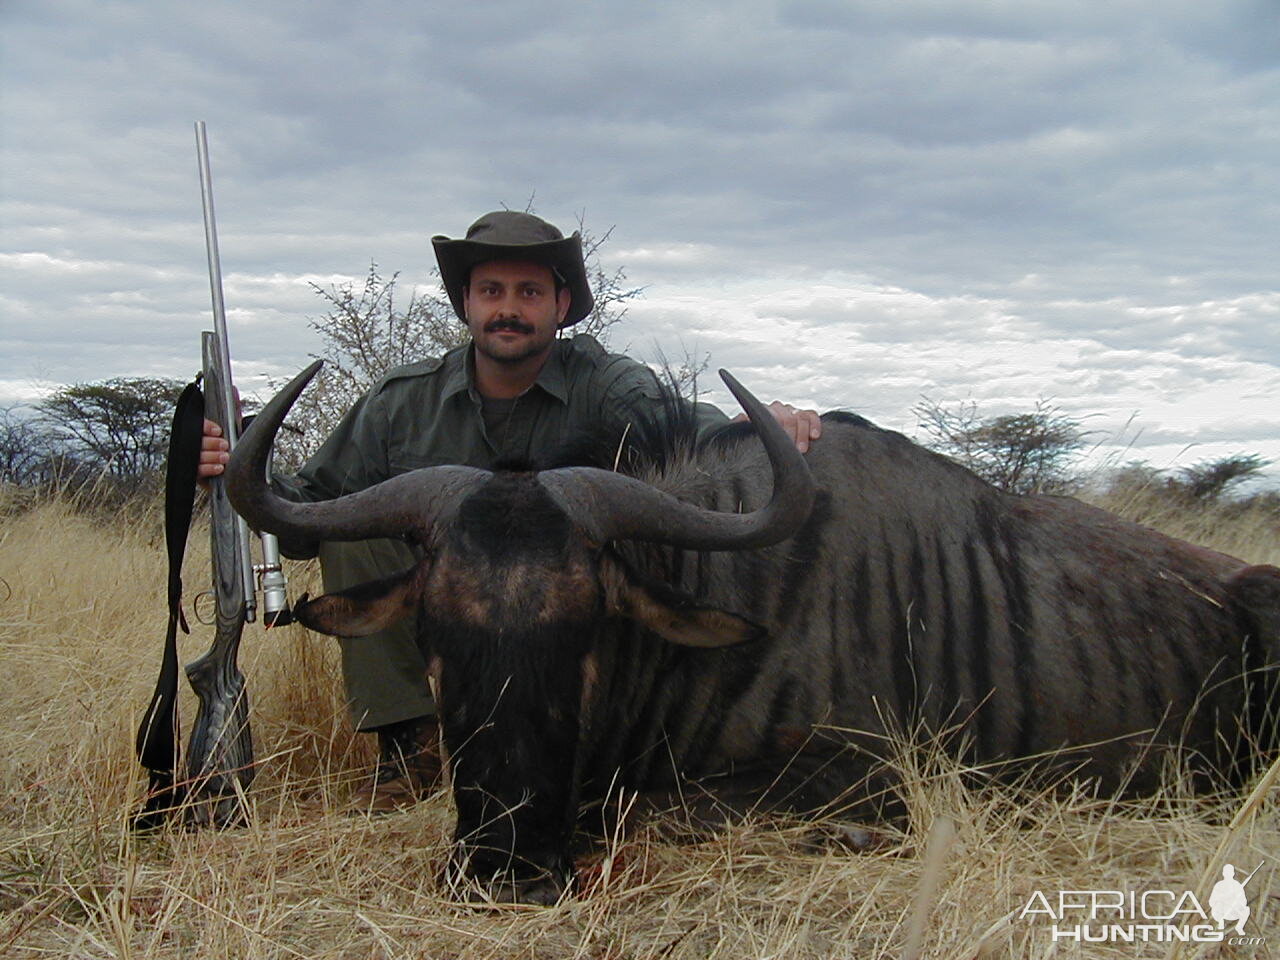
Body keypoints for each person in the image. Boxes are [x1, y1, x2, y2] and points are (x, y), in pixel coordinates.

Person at [199, 211, 822, 811]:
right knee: (355, 531)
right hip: (452, 615)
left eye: (529, 291)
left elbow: (699, 450)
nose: (509, 307)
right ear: (466, 303)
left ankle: (610, 737)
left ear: (561, 306)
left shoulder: (610, 386)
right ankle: (409, 749)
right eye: (491, 290)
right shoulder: (400, 401)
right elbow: (307, 515)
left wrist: (759, 430)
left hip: (567, 626)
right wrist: (232, 472)